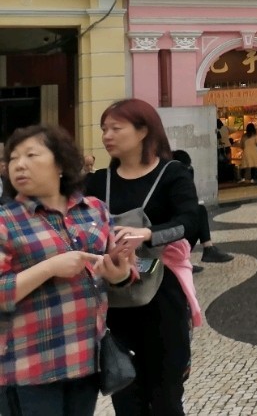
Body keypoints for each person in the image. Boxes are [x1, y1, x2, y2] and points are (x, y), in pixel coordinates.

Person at [1, 125, 134, 416]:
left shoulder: (94, 209)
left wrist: (119, 274)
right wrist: (49, 267)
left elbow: (125, 271)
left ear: (60, 163)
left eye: (31, 155)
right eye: (13, 158)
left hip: (83, 359)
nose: (19, 164)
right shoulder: (6, 221)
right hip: (27, 368)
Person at [86, 98, 201, 416]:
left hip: (162, 298)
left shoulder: (171, 173)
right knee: (127, 400)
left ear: (143, 131)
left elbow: (190, 220)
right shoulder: (97, 182)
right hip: (115, 301)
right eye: (104, 129)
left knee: (166, 399)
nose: (107, 135)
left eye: (116, 128)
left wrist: (148, 235)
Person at [171, 150, 233, 269]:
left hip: (174, 219)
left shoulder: (183, 173)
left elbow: (188, 195)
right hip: (162, 227)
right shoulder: (165, 176)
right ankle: (205, 250)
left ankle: (206, 250)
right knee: (196, 213)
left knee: (199, 212)